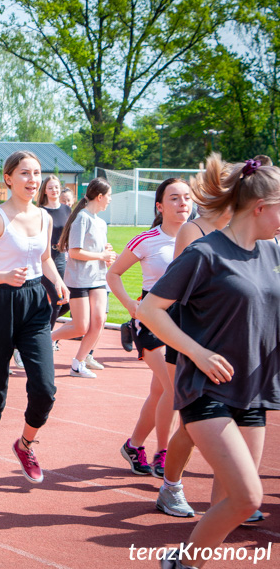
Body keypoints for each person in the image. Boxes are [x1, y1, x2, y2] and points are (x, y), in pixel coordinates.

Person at [141, 157, 280, 569]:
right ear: (260, 206)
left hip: (253, 391)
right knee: (249, 497)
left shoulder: (272, 252)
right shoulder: (205, 252)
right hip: (206, 390)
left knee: (230, 504)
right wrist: (197, 353)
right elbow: (151, 310)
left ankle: (188, 562)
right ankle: (181, 563)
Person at [0, 150, 69, 485]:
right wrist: (5, 275)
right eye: (24, 173)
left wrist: (58, 280)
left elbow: (44, 258)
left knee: (45, 388)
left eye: (36, 173)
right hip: (0, 302)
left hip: (37, 303)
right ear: (8, 178)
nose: (32, 180)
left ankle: (25, 444)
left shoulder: (44, 217)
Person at [154, 157, 233, 520]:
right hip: (195, 338)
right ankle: (171, 486)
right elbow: (181, 291)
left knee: (243, 417)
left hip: (233, 340)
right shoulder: (194, 232)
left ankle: (232, 494)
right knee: (191, 423)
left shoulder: (249, 234)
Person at [106, 179, 193, 480]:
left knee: (159, 391)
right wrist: (132, 305)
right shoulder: (147, 239)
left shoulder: (200, 239)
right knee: (172, 388)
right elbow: (113, 273)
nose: (183, 203)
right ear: (160, 206)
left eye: (186, 198)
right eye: (174, 198)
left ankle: (133, 446)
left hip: (183, 323)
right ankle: (163, 454)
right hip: (151, 322)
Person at [50, 178, 116, 378]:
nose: (110, 200)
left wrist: (106, 252)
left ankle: (78, 363)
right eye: (109, 196)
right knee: (81, 326)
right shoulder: (82, 218)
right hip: (79, 279)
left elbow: (95, 248)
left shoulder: (101, 222)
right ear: (100, 196)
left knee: (99, 321)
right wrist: (101, 255)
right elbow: (75, 251)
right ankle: (41, 340)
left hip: (98, 278)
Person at [37, 176, 71, 346]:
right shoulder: (41, 211)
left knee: (68, 300)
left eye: (56, 187)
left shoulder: (66, 210)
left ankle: (40, 327)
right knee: (57, 298)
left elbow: (71, 234)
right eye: (50, 188)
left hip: (61, 259)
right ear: (45, 190)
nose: (54, 191)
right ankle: (46, 339)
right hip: (44, 259)